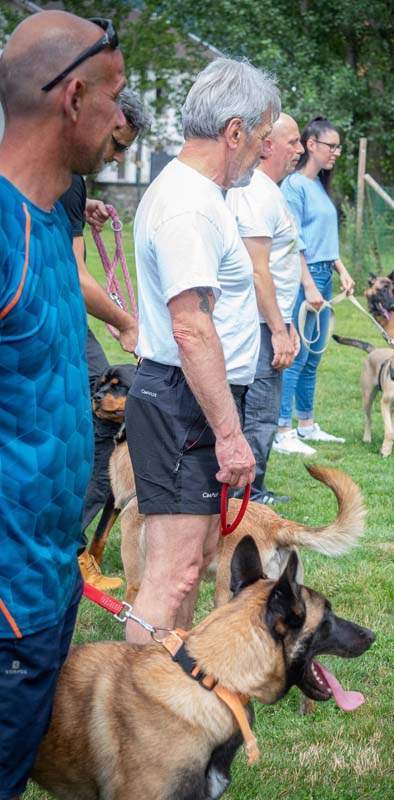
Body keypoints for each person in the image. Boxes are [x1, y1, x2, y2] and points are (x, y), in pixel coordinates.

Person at [0, 11, 126, 799]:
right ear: (72, 97)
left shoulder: (50, 223)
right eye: (116, 98)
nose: (123, 120)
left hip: (50, 589)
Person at [125, 58, 280, 642]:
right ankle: (138, 717)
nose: (264, 153)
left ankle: (168, 706)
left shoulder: (203, 195)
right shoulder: (188, 205)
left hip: (192, 399)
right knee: (172, 576)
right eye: (262, 139)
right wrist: (231, 434)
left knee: (186, 575)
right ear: (234, 132)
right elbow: (190, 328)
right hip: (183, 402)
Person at [58, 88, 152, 590]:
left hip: (56, 316)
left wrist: (79, 203)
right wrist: (128, 322)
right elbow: (75, 276)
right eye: (117, 143)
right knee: (101, 418)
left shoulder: (62, 175)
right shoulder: (69, 175)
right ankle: (71, 551)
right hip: (55, 316)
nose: (117, 156)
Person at [226, 112, 304, 504]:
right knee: (259, 410)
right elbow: (258, 271)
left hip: (267, 321)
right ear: (269, 145)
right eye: (294, 141)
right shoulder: (256, 192)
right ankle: (247, 495)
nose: (301, 149)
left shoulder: (269, 190)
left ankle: (250, 489)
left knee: (263, 409)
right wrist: (278, 329)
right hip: (258, 325)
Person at [273, 115, 354, 454]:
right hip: (304, 278)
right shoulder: (292, 186)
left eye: (338, 147)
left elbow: (324, 238)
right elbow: (295, 240)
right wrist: (309, 285)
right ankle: (282, 430)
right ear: (311, 145)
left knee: (313, 357)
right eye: (330, 145)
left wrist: (342, 269)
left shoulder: (320, 186)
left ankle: (306, 425)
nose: (336, 152)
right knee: (296, 353)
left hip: (324, 275)